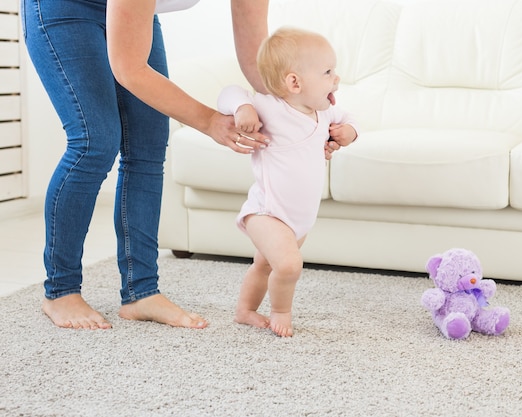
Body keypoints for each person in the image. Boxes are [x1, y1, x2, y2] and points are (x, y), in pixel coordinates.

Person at [21, 0, 321, 330]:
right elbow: (129, 68)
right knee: (95, 140)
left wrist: (298, 118)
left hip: (134, 12)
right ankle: (61, 290)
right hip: (66, 7)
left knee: (148, 144)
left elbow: (257, 55)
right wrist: (209, 121)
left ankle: (141, 292)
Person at [217, 27, 359, 337]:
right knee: (289, 265)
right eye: (327, 72)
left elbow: (350, 119)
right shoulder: (271, 107)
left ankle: (245, 310)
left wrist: (350, 132)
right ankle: (280, 312)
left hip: (299, 219)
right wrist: (244, 108)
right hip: (266, 212)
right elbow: (228, 92)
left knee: (264, 265)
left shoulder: (325, 113)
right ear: (294, 82)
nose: (336, 78)